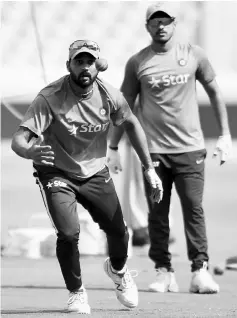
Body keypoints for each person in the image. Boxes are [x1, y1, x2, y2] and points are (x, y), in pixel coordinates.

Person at [11, 39, 163, 314]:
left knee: (119, 231)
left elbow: (131, 123)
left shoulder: (109, 95)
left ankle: (117, 270)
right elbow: (19, 140)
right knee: (68, 234)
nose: (84, 67)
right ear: (68, 65)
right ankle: (77, 293)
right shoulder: (50, 97)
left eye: (89, 62)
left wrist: (149, 168)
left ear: (96, 66)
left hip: (94, 171)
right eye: (78, 61)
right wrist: (30, 152)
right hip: (56, 172)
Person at [107, 2, 233, 294]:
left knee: (193, 207)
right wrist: (113, 147)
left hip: (190, 148)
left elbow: (214, 91)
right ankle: (164, 272)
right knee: (157, 212)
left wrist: (225, 135)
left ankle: (199, 270)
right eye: (155, 21)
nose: (161, 26)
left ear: (175, 24)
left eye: (166, 21)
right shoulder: (138, 62)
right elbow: (124, 108)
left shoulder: (193, 54)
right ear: (147, 26)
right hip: (153, 153)